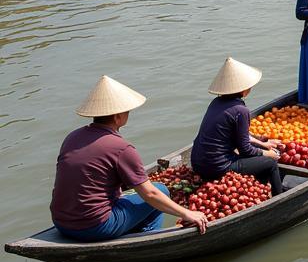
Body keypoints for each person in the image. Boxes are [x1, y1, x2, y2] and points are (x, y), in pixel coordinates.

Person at [50, 76, 208, 241]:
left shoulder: (72, 137)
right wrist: (187, 213)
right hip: (94, 227)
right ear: (117, 116)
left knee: (139, 195)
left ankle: (133, 233)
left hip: (61, 222)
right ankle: (148, 240)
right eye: (126, 111)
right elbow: (151, 194)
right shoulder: (121, 147)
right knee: (161, 190)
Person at [190, 58, 284, 196]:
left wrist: (263, 143)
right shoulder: (241, 110)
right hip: (217, 167)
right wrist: (267, 153)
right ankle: (278, 198)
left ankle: (258, 190)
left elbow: (241, 135)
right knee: (270, 164)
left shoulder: (216, 102)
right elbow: (245, 150)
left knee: (258, 154)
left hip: (197, 162)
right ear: (245, 89)